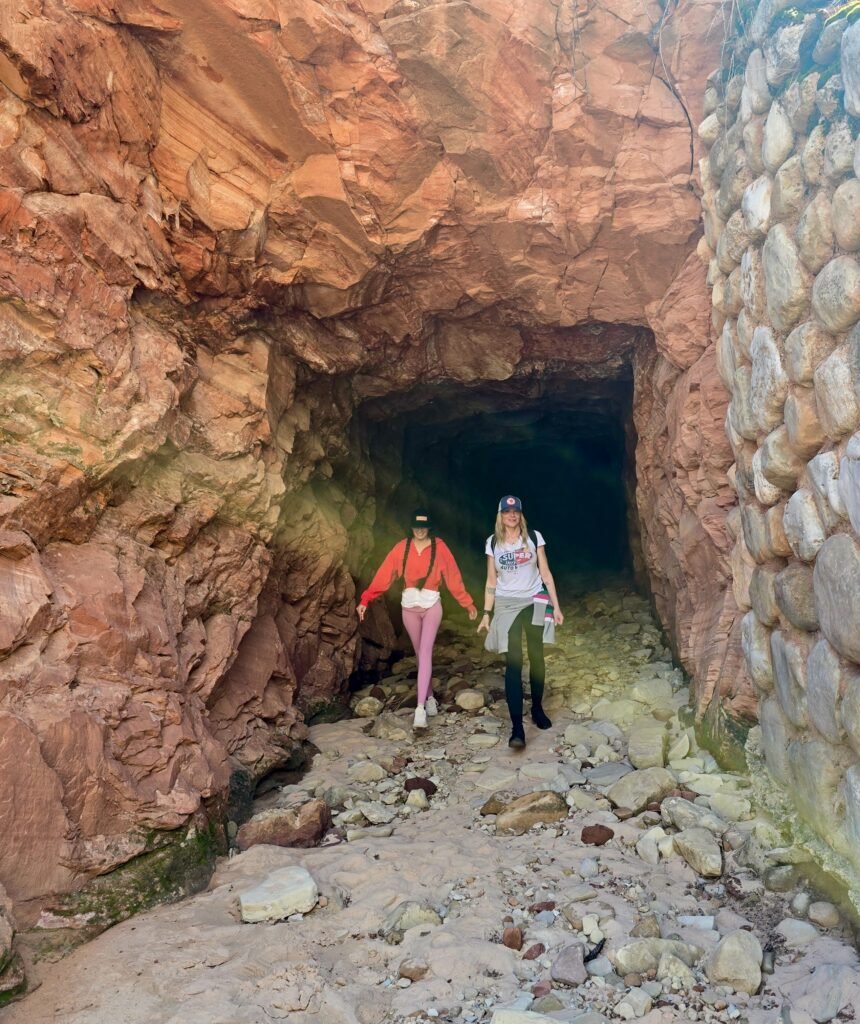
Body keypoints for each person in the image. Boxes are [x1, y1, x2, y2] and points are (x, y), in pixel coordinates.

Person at [357, 509, 477, 730]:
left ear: (429, 528)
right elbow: (384, 575)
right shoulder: (401, 548)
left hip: (432, 606)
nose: (420, 530)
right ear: (411, 527)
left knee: (426, 651)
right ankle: (430, 697)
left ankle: (420, 709)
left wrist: (467, 603)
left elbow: (453, 577)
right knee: (421, 655)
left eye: (424, 527)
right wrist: (366, 599)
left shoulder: (440, 548)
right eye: (416, 526)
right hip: (409, 608)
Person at [477, 495, 564, 749]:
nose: (511, 515)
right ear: (500, 516)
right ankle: (517, 728)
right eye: (507, 512)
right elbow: (491, 580)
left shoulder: (534, 537)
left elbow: (545, 573)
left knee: (536, 654)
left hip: (535, 599)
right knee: (513, 662)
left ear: (521, 515)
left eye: (515, 511)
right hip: (506, 604)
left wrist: (556, 606)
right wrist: (486, 612)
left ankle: (537, 708)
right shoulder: (493, 542)